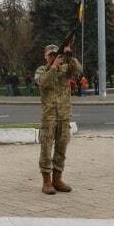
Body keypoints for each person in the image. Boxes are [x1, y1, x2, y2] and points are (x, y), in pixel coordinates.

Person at [35, 44, 82, 194]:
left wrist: (70, 56)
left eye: (56, 55)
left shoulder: (66, 69)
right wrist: (54, 67)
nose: (53, 57)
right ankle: (46, 181)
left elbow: (78, 71)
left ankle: (57, 178)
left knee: (61, 149)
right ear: (45, 56)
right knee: (46, 150)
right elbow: (42, 83)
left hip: (63, 116)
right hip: (49, 117)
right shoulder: (42, 70)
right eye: (50, 55)